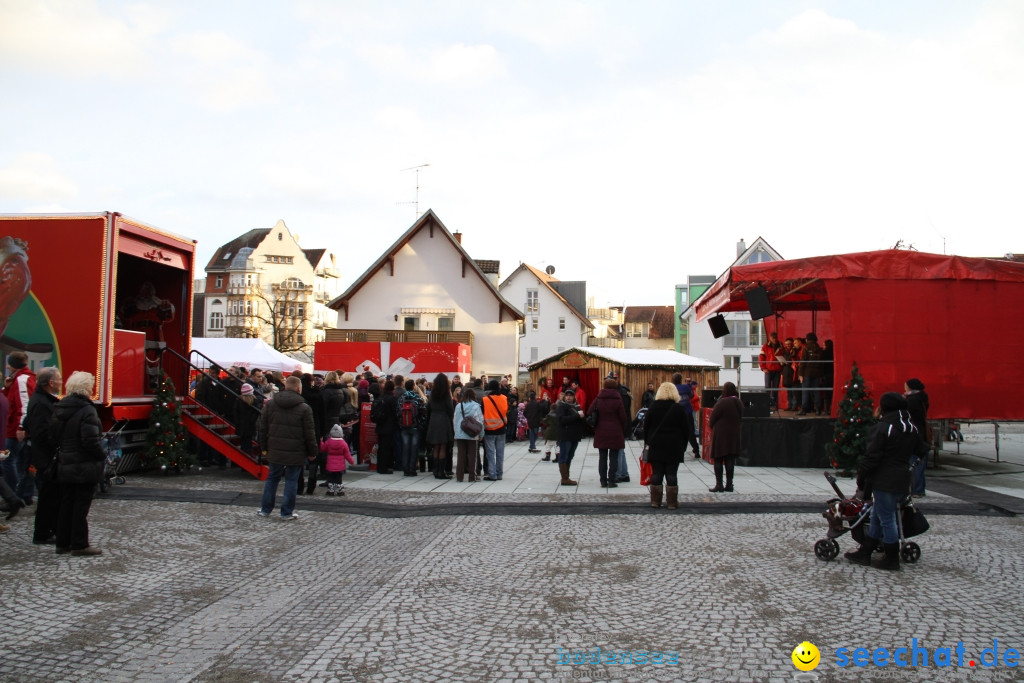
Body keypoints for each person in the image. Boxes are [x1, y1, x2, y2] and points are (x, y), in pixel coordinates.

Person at [844, 392, 928, 570]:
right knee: (878, 514)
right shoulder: (911, 427)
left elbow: (871, 457)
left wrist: (862, 478)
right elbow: (922, 450)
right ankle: (866, 551)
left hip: (884, 479)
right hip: (902, 479)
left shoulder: (885, 428)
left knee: (887, 518)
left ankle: (891, 557)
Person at [48, 371, 105, 555]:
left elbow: (53, 436)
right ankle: (79, 544)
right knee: (81, 506)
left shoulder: (59, 407)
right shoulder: (87, 410)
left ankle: (62, 542)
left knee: (67, 503)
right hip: (84, 463)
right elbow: (90, 441)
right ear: (86, 388)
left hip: (65, 461)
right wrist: (102, 455)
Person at [257, 375, 317, 520]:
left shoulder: (271, 405)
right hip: (296, 450)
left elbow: (262, 427)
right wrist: (312, 452)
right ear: (298, 388)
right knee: (291, 481)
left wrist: (264, 447)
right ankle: (286, 512)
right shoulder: (304, 408)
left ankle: (266, 509)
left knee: (272, 479)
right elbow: (309, 433)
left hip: (275, 447)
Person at [643, 382, 692, 509]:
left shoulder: (653, 407)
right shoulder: (679, 409)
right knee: (671, 473)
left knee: (657, 473)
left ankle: (655, 501)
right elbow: (686, 430)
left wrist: (647, 442)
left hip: (656, 445)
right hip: (674, 446)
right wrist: (683, 446)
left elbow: (646, 427)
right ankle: (671, 502)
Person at [26, 367, 61, 544]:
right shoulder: (42, 403)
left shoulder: (41, 400)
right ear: (50, 383)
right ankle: (42, 532)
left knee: (50, 496)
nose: (61, 382)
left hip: (45, 456)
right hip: (46, 457)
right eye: (59, 379)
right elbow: (41, 433)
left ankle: (48, 530)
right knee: (48, 497)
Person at [3, 351, 37, 504]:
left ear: (11, 365)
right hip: (16, 427)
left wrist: (21, 427)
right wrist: (7, 388)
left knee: (10, 461)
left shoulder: (22, 379)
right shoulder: (20, 379)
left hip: (15, 428)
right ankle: (24, 494)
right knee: (22, 462)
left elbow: (24, 405)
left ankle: (12, 495)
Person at [590, 377, 628, 488]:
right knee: (614, 457)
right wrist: (622, 429)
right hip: (615, 431)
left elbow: (589, 411)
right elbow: (623, 418)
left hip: (601, 431)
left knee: (602, 457)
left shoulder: (599, 398)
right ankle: (611, 480)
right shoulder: (618, 399)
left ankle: (603, 481)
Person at [708, 381, 743, 493]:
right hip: (734, 434)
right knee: (730, 459)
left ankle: (719, 484)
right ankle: (729, 484)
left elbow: (712, 417)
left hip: (721, 434)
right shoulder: (738, 402)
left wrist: (711, 425)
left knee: (718, 458)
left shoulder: (722, 402)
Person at [426, 373, 455, 480]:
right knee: (442, 446)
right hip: (443, 419)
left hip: (434, 419)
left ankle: (435, 470)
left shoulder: (433, 393)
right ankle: (441, 471)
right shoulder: (446, 394)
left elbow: (428, 407)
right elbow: (450, 409)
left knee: (435, 446)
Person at [904, 378, 930, 497]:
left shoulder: (912, 400)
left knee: (915, 462)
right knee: (920, 462)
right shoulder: (922, 398)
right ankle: (920, 488)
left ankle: (917, 489)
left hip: (915, 435)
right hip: (921, 433)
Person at [555, 389, 585, 486]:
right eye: (567, 395)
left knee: (570, 456)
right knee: (563, 456)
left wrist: (582, 417)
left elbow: (580, 420)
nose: (568, 397)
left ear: (574, 397)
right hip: (565, 435)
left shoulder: (577, 406)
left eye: (570, 395)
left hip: (574, 436)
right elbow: (561, 420)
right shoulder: (561, 406)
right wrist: (576, 416)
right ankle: (564, 478)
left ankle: (567, 476)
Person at [453, 387, 483, 482]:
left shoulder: (458, 406)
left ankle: (459, 476)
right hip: (472, 433)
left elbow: (455, 420)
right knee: (472, 455)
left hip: (460, 433)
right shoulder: (476, 406)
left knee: (461, 455)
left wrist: (456, 431)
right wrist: (481, 434)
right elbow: (480, 421)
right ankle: (471, 476)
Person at [397, 379, 426, 476]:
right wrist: (421, 424)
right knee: (414, 449)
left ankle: (405, 469)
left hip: (404, 426)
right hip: (415, 427)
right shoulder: (417, 398)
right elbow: (423, 412)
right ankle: (412, 469)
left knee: (405, 448)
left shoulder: (401, 398)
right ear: (414, 386)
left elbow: (397, 411)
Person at [481, 380, 508, 481]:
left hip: (489, 429)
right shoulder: (504, 398)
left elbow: (482, 414)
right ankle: (499, 473)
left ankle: (492, 474)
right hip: (501, 428)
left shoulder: (485, 399)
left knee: (490, 453)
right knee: (500, 453)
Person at [371, 380, 398, 474]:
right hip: (389, 426)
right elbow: (395, 412)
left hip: (380, 425)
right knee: (386, 448)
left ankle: (380, 466)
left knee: (381, 447)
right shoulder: (392, 398)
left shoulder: (381, 397)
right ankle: (385, 467)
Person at [320, 424, 355, 496]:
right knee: (338, 478)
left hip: (330, 464)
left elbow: (322, 449)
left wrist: (321, 442)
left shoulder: (328, 442)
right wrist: (352, 462)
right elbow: (347, 454)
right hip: (340, 466)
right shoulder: (343, 443)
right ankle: (339, 490)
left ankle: (331, 490)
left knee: (331, 478)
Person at [672, 373, 700, 457]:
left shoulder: (672, 388)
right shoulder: (686, 387)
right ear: (681, 379)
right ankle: (696, 450)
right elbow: (691, 395)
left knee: (677, 431)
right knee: (691, 431)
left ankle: (678, 450)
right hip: (687, 412)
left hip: (677, 413)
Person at [799, 332, 825, 415]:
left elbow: (803, 362)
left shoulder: (806, 348)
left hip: (807, 372)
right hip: (817, 372)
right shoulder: (819, 349)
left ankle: (804, 409)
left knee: (805, 391)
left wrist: (800, 374)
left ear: (807, 339)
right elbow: (822, 363)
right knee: (816, 391)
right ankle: (818, 409)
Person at [234, 383, 259, 458]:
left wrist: (237, 422)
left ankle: (244, 457)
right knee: (248, 442)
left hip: (241, 425)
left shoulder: (238, 400)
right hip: (250, 425)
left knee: (243, 442)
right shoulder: (254, 400)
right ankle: (249, 456)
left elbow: (235, 412)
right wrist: (252, 421)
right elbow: (256, 413)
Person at [759, 331, 783, 409]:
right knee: (767, 388)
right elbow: (761, 358)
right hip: (768, 370)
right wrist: (763, 368)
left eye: (775, 338)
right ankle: (766, 404)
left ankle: (773, 404)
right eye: (773, 338)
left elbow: (784, 356)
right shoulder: (765, 346)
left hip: (777, 370)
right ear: (770, 338)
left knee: (775, 388)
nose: (775, 339)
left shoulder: (781, 345)